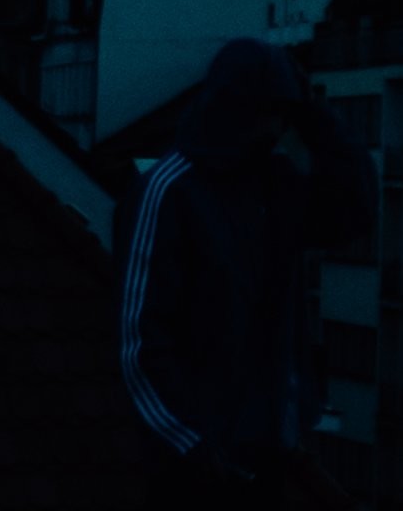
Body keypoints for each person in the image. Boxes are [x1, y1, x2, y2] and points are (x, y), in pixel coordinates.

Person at [118, 38, 373, 504]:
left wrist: (312, 113)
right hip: (192, 473)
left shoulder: (274, 188)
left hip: (263, 458)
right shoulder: (169, 191)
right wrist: (193, 444)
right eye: (269, 112)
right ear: (236, 109)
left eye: (283, 115)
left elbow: (354, 209)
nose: (276, 129)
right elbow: (139, 343)